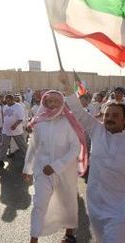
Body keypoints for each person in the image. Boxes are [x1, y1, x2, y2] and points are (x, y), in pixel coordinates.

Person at [59, 72, 125, 242]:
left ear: (124, 120)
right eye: (107, 115)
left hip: (120, 209)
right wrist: (67, 86)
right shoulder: (98, 130)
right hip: (95, 203)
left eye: (115, 116)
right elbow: (79, 113)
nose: (109, 119)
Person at [22, 90, 87, 243]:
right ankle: (34, 238)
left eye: (56, 101)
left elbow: (75, 148)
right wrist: (27, 169)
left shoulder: (68, 123)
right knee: (39, 204)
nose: (52, 104)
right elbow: (33, 148)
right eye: (49, 101)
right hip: (42, 172)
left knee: (68, 201)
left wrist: (56, 166)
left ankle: (69, 232)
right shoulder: (39, 123)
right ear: (44, 103)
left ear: (61, 103)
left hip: (65, 171)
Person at [0, 94, 27, 167]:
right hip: (6, 130)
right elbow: (5, 117)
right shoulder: (5, 106)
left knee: (22, 145)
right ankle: (0, 160)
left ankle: (27, 158)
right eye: (6, 100)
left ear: (12, 99)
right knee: (4, 145)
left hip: (16, 130)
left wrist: (15, 125)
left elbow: (21, 118)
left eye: (9, 100)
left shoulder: (18, 106)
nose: (7, 102)